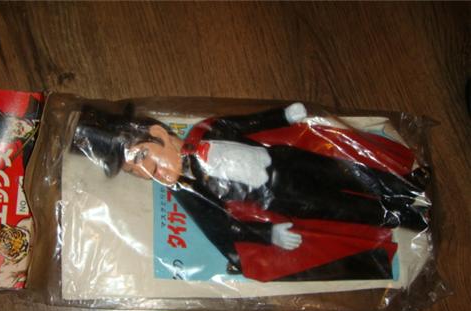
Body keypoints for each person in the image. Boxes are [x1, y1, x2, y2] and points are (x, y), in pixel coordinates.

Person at [71, 103, 430, 281]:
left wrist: (283, 116)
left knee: (352, 173)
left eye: (141, 156)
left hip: (291, 160)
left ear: (158, 134)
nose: (145, 170)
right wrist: (268, 233)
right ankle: (411, 217)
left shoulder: (206, 131)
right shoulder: (187, 190)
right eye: (134, 170)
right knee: (347, 209)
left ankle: (410, 186)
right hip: (288, 198)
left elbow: (246, 124)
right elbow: (222, 228)